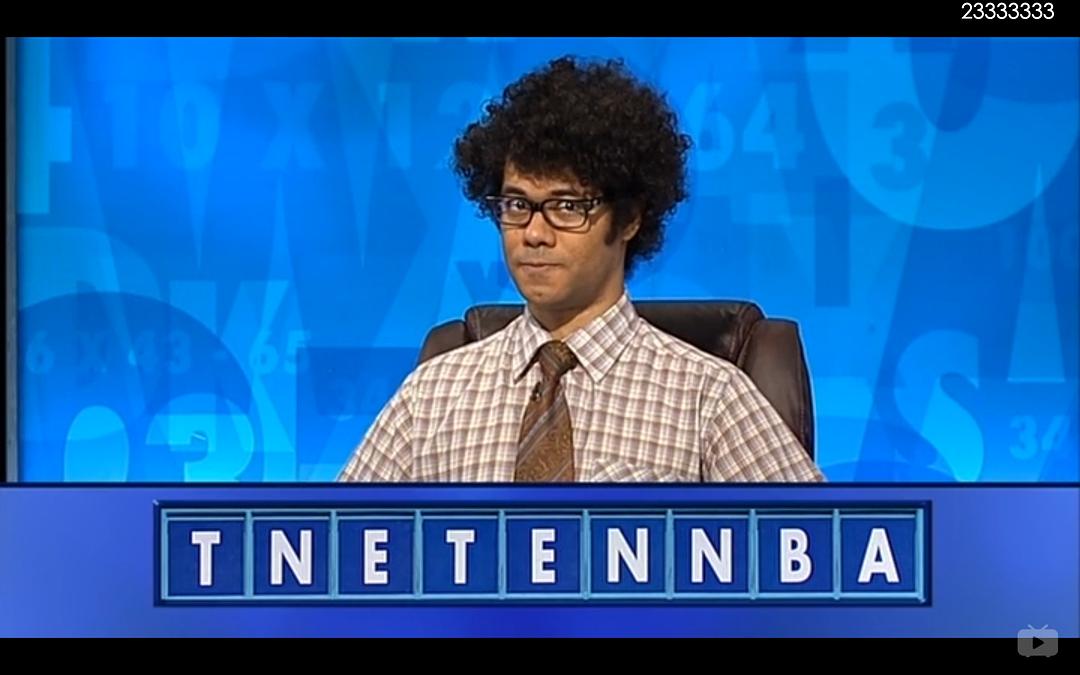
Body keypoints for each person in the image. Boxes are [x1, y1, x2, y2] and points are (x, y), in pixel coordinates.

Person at [339, 56, 825, 483]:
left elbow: (820, 549)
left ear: (630, 217)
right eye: (517, 205)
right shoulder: (430, 397)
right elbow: (332, 546)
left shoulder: (708, 398)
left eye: (566, 206)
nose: (534, 233)